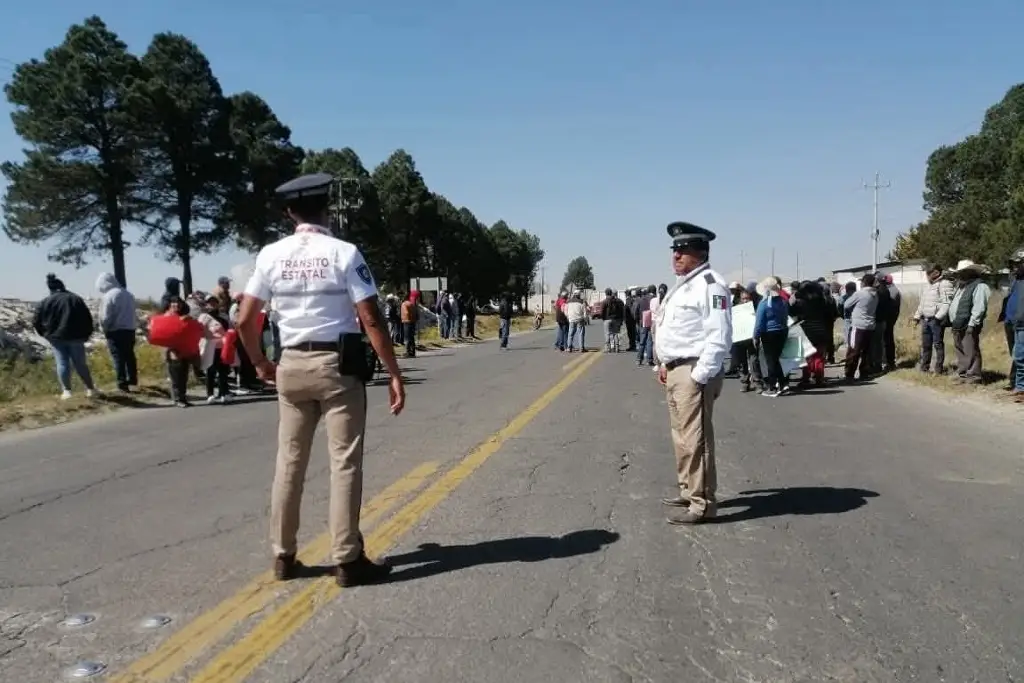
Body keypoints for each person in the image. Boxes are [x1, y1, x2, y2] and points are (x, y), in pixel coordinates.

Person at [235, 172, 405, 588]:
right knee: (344, 462)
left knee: (289, 462)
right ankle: (347, 558)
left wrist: (259, 362)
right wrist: (393, 372)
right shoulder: (344, 253)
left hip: (290, 364)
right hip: (336, 365)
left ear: (289, 213)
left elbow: (244, 319)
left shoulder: (270, 256)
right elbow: (370, 317)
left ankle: (283, 555)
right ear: (327, 209)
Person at [654, 221, 732, 524]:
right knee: (682, 437)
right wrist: (664, 363)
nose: (676, 256)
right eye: (674, 250)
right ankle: (688, 489)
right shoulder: (683, 285)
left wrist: (700, 375)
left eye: (683, 250)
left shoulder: (710, 285)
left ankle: (702, 504)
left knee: (696, 440)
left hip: (694, 370)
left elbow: (719, 335)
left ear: (701, 253)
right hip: (677, 369)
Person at [33, 273, 98, 400]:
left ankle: (67, 391)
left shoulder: (45, 301)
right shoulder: (75, 299)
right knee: (80, 364)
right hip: (76, 336)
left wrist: (45, 334)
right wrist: (87, 334)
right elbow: (87, 318)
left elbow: (36, 320)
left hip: (56, 338)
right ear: (63, 286)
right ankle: (90, 389)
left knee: (62, 363)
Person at [95, 272, 138, 393]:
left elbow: (105, 317)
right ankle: (133, 380)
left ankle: (122, 383)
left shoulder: (108, 296)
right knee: (129, 355)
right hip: (130, 329)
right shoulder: (128, 294)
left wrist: (104, 328)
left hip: (116, 330)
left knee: (118, 357)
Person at [753, 278, 790, 396]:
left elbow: (759, 323)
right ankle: (783, 383)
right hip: (782, 331)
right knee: (776, 359)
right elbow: (785, 318)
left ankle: (772, 387)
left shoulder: (764, 304)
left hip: (769, 333)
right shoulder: (783, 301)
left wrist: (755, 336)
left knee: (771, 361)